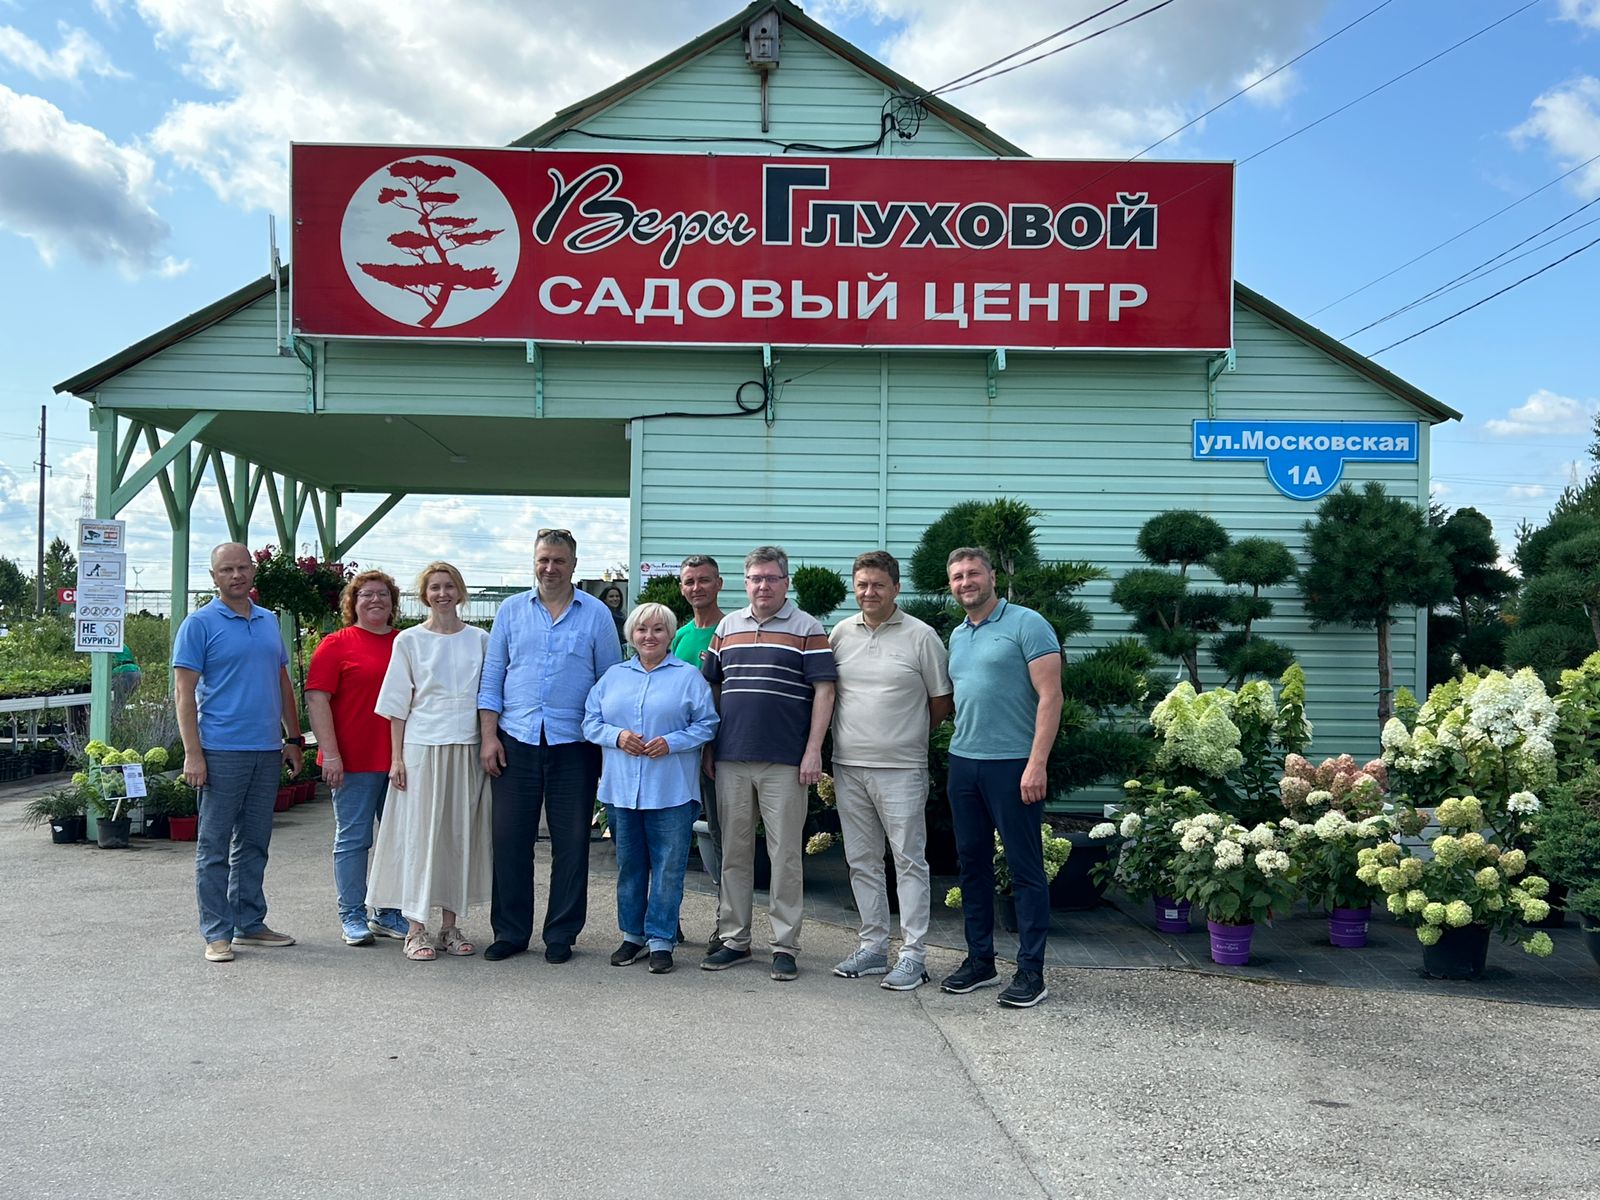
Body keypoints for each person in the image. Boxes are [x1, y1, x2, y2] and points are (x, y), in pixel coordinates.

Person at [478, 529, 621, 963]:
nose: (550, 568)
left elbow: (609, 684)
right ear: (534, 562)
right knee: (510, 841)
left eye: (559, 560)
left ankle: (561, 933)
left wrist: (605, 745)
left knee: (572, 843)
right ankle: (510, 932)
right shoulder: (510, 611)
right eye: (543, 559)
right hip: (515, 740)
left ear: (574, 565)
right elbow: (492, 678)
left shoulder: (596, 614)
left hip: (575, 744)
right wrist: (489, 737)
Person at [699, 545, 836, 982]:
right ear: (746, 583)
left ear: (785, 582)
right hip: (731, 758)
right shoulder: (727, 627)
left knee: (785, 856)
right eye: (756, 578)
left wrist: (814, 750)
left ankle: (784, 945)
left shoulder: (807, 628)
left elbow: (825, 691)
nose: (763, 585)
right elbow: (712, 688)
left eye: (772, 578)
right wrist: (708, 745)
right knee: (734, 854)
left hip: (785, 761)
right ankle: (734, 939)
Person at [941, 546, 1063, 1009]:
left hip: (1013, 764)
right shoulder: (957, 635)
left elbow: (1051, 696)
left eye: (973, 573)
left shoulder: (1028, 624)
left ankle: (1032, 971)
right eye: (957, 576)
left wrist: (1037, 763)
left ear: (991, 576)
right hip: (963, 762)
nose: (965, 582)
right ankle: (981, 961)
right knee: (971, 865)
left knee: (1024, 868)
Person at [828, 550, 952, 992]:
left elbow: (941, 701)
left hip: (901, 769)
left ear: (896, 588)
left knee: (909, 860)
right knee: (861, 860)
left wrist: (905, 734)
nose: (869, 592)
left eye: (878, 585)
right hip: (848, 766)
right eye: (862, 584)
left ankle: (913, 956)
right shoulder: (840, 634)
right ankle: (873, 947)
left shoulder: (922, 636)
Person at [173, 542, 303, 964]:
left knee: (255, 842)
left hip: (265, 749)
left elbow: (282, 682)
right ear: (213, 577)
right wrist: (193, 753)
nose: (236, 575)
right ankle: (217, 932)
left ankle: (249, 921)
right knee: (214, 846)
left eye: (242, 567)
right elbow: (184, 693)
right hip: (221, 750)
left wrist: (293, 738)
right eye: (226, 569)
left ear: (253, 571)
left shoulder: (268, 621)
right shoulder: (199, 624)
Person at [583, 602, 719, 974]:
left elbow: (708, 724)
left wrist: (672, 742)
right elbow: (590, 722)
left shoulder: (688, 677)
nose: (649, 636)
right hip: (622, 790)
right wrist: (617, 736)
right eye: (642, 629)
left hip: (671, 790)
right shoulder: (613, 677)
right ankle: (633, 935)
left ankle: (661, 939)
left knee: (668, 869)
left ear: (670, 634)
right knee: (630, 866)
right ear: (631, 635)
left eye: (658, 629)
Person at [367, 562, 493, 961]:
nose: (442, 594)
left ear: (460, 592)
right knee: (419, 837)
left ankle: (450, 926)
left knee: (457, 836)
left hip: (466, 748)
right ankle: (416, 928)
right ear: (424, 595)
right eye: (435, 587)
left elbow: (489, 697)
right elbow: (397, 705)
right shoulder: (409, 641)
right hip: (422, 749)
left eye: (449, 586)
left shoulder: (480, 640)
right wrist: (396, 758)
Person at [305, 569, 408, 947]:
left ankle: (388, 912)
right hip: (353, 761)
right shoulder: (336, 644)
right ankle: (352, 914)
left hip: (399, 761)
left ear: (393, 603)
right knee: (353, 840)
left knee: (398, 841)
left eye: (382, 594)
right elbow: (317, 699)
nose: (375, 600)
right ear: (353, 603)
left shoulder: (405, 642)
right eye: (366, 594)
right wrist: (330, 754)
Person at [670, 554, 725, 904]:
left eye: (704, 580)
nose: (697, 587)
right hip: (679, 752)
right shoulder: (679, 636)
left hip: (717, 751)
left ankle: (727, 917)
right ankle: (668, 919)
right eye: (690, 581)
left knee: (722, 834)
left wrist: (712, 746)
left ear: (719, 584)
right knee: (673, 834)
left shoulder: (731, 631)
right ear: (682, 588)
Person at [110, 644, 142, 712]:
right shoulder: (121, 644)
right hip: (136, 672)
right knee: (121, 701)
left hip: (123, 672)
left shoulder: (106, 644)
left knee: (105, 695)